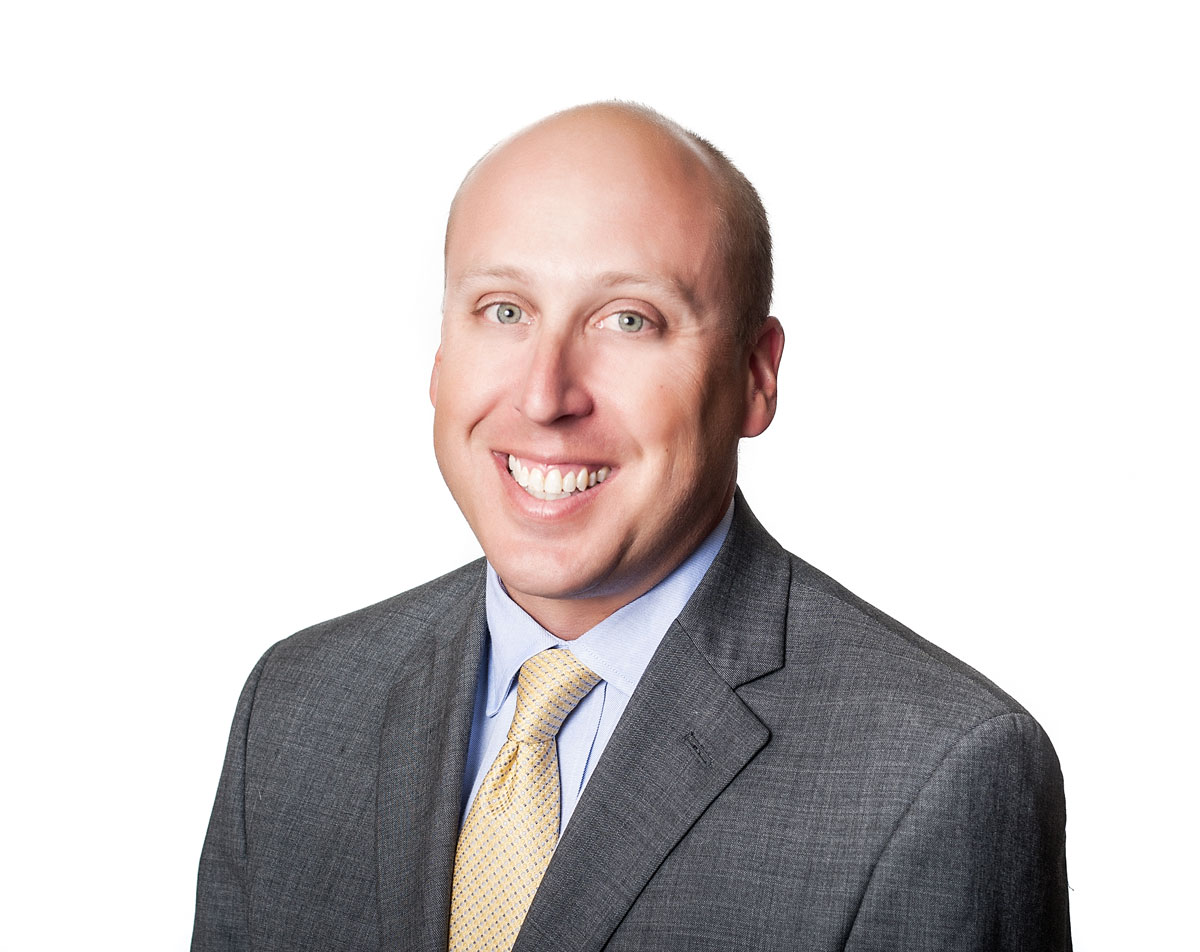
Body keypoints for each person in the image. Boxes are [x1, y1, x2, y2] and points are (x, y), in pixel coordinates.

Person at [192, 102, 1071, 951]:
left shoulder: (939, 774)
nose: (545, 396)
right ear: (438, 354)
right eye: (504, 310)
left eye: (629, 320)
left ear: (756, 378)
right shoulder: (297, 705)